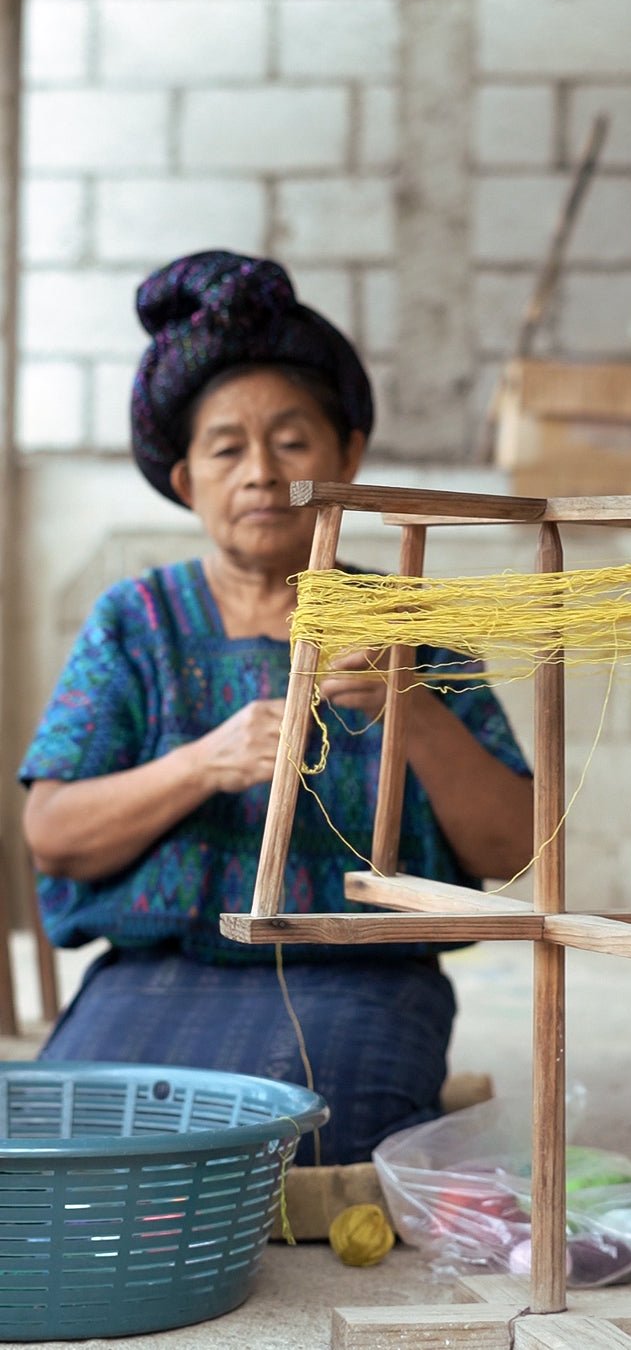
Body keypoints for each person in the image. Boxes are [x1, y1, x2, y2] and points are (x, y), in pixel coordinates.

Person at [19, 249, 534, 1165]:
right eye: (226, 448)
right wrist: (201, 763)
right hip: (155, 976)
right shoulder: (136, 622)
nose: (260, 471)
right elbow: (52, 832)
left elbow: (514, 847)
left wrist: (413, 709)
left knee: (311, 1145)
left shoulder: (410, 621)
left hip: (362, 977)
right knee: (72, 1149)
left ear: (349, 456)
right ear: (186, 481)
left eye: (292, 442)